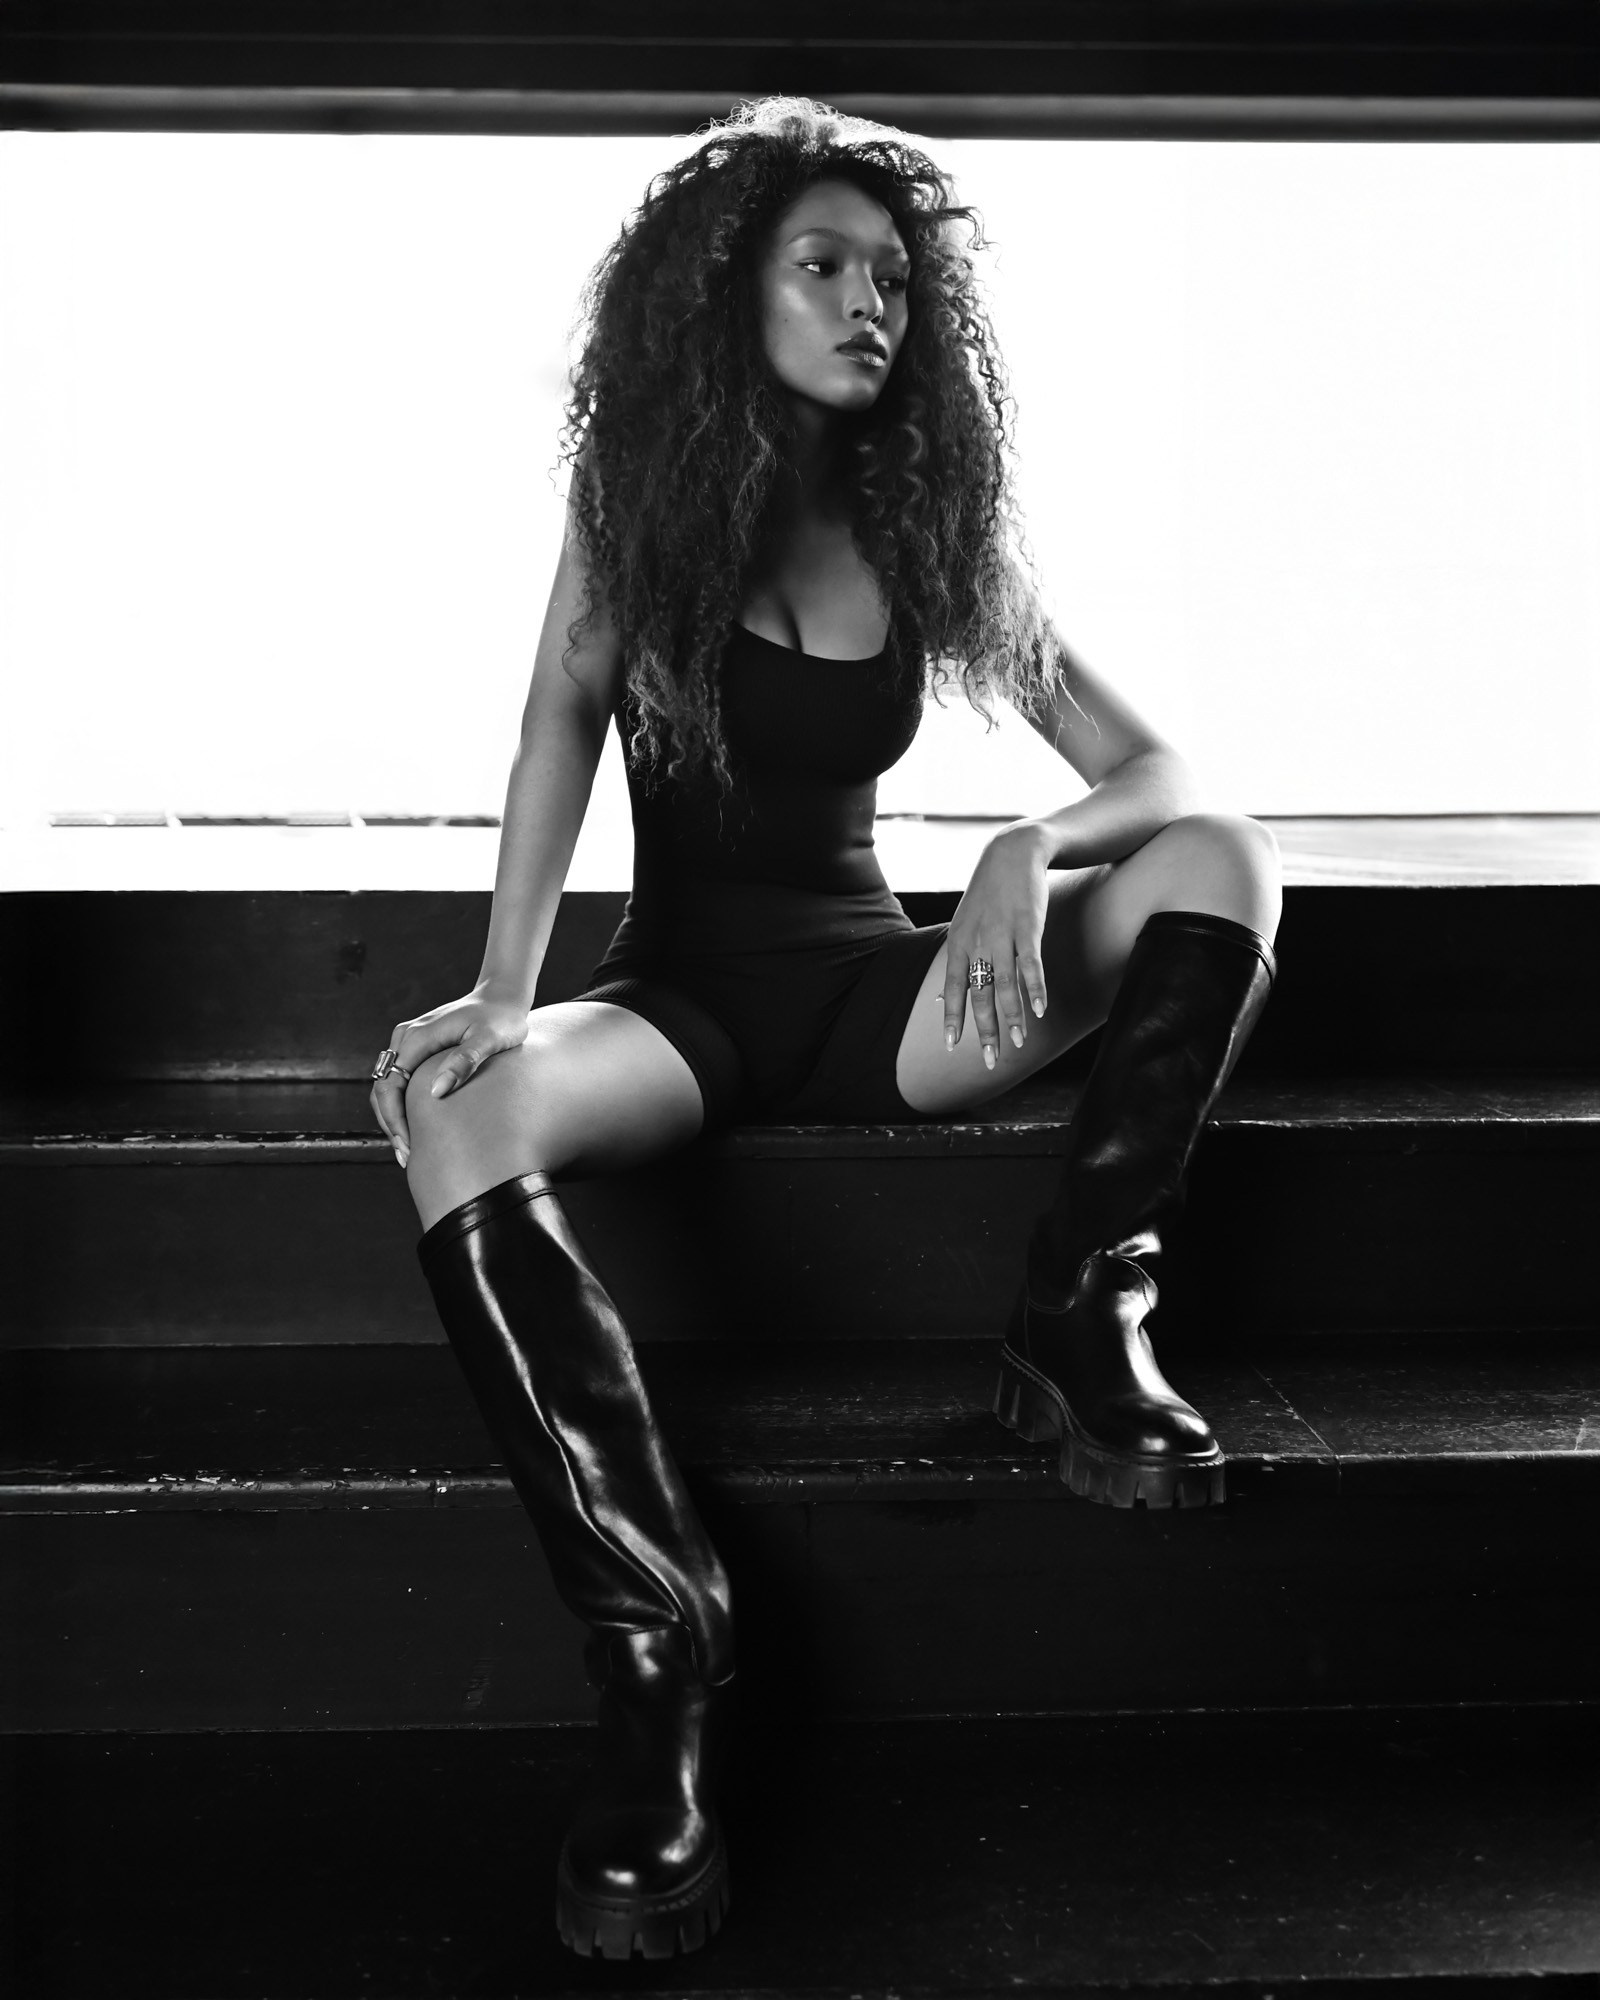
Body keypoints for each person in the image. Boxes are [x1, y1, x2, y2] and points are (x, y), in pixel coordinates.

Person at [367, 97, 1281, 1963]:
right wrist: (506, 992)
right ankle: (662, 1642)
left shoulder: (926, 528)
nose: (874, 303)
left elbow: (1165, 774)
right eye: (826, 265)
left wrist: (1029, 845)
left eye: (896, 278)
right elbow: (556, 729)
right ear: (730, 295)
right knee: (459, 1115)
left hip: (884, 997)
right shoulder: (640, 509)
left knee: (1226, 856)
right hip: (681, 1003)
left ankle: (1082, 1305)